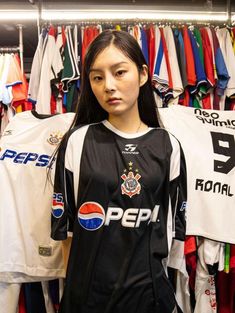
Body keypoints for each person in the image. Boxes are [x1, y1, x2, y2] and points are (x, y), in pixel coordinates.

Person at [51, 29, 187, 313]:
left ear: (142, 74)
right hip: (88, 302)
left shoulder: (168, 147)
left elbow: (173, 236)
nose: (108, 86)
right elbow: (67, 235)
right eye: (97, 77)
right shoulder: (78, 141)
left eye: (119, 72)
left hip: (150, 301)